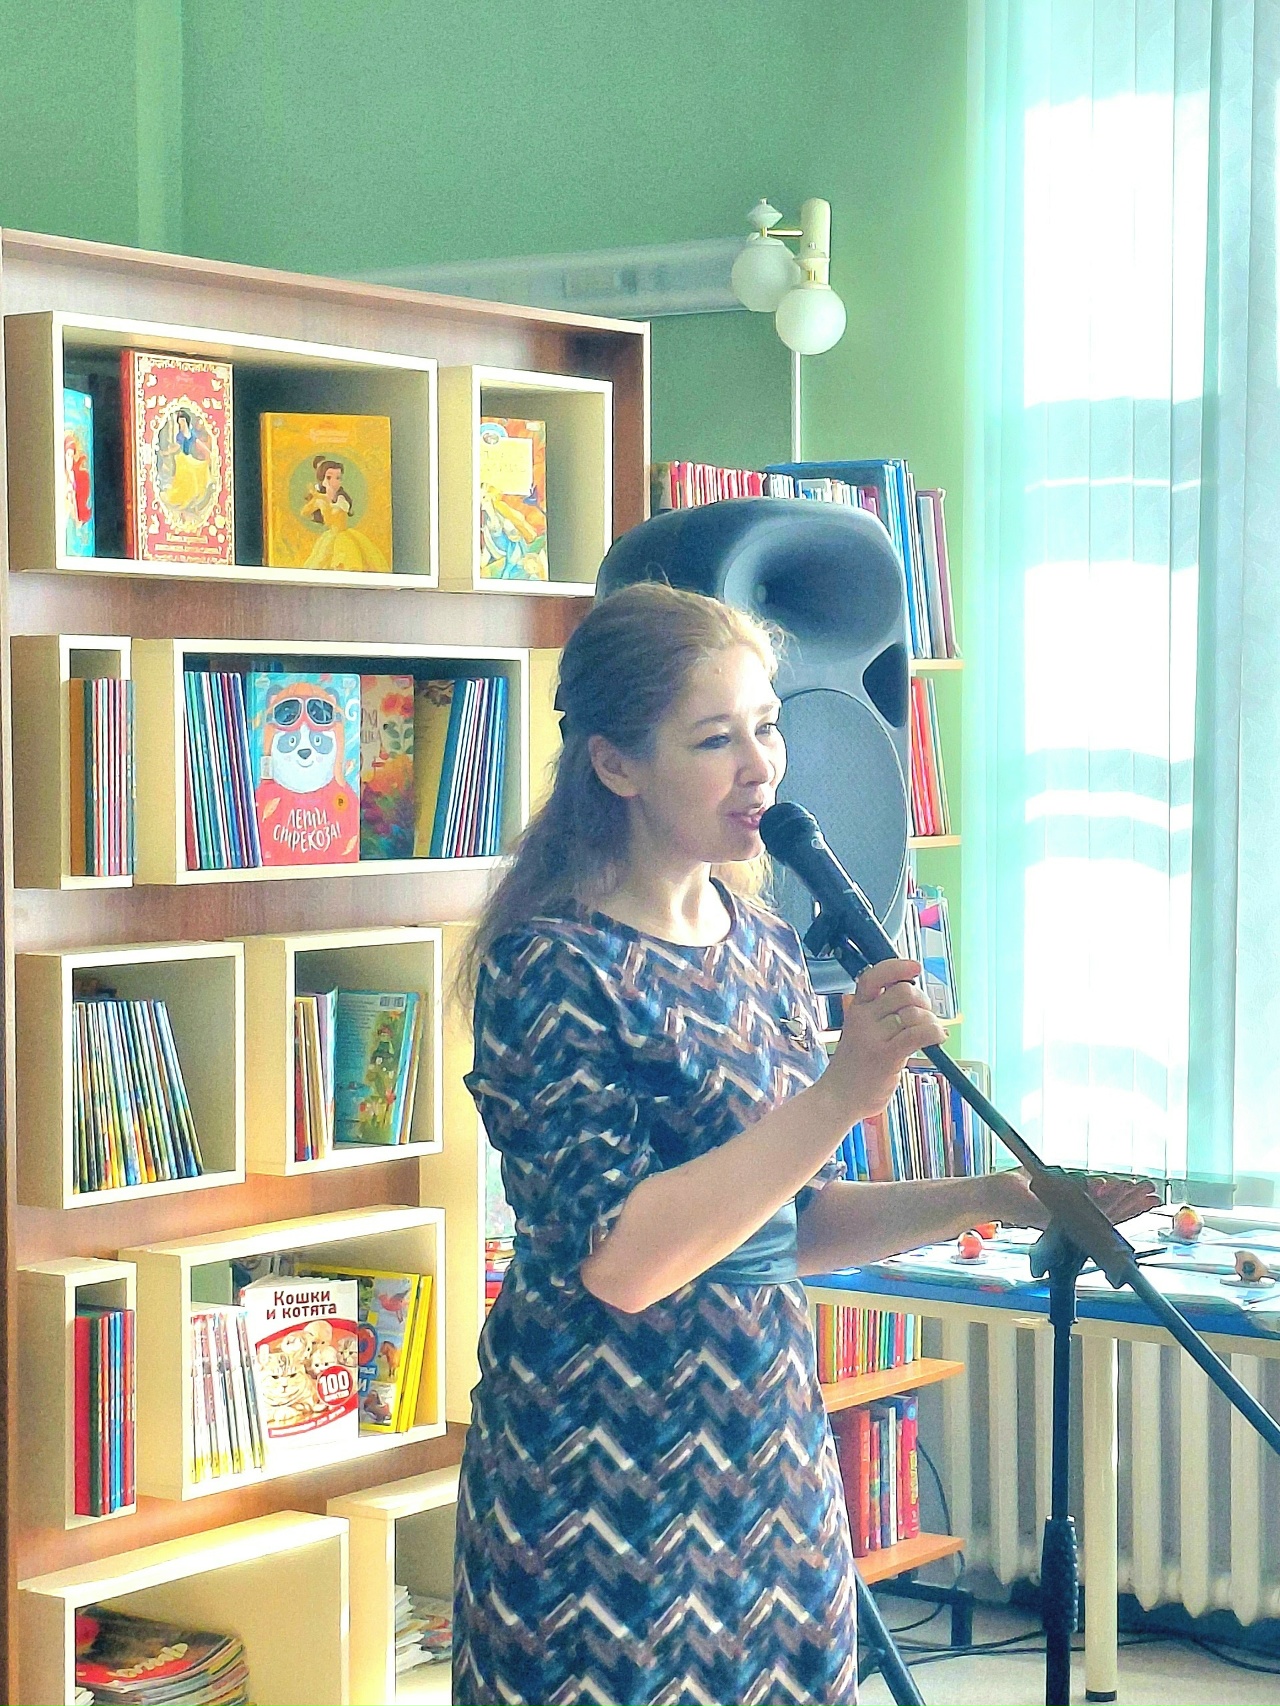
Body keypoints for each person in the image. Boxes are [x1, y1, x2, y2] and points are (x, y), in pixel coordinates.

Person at [453, 581, 1153, 1703]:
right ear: (615, 764)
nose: (760, 768)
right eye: (714, 739)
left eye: (767, 727)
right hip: (599, 1472)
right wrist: (838, 1094)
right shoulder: (550, 965)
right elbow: (624, 1262)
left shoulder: (764, 941)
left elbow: (782, 1223)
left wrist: (988, 1196)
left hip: (767, 1453)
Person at [300, 455, 388, 571]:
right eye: (329, 477)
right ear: (322, 480)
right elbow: (304, 512)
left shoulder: (341, 499)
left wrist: (324, 503)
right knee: (321, 561)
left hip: (342, 537)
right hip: (330, 536)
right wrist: (316, 499)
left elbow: (332, 517)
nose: (334, 482)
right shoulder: (321, 499)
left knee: (345, 561)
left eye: (338, 478)